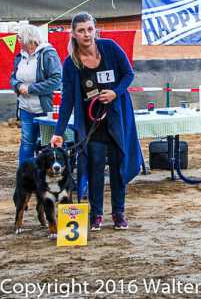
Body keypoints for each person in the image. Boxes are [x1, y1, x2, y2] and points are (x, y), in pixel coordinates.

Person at [50, 12, 142, 230]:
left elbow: (128, 74)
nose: (86, 34)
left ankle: (119, 213)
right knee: (95, 168)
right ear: (73, 34)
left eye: (90, 29)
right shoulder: (71, 64)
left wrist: (115, 92)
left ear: (95, 29)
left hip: (117, 119)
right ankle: (96, 214)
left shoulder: (109, 47)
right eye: (81, 30)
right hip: (92, 127)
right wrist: (58, 131)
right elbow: (67, 100)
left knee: (119, 166)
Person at [10, 24, 62, 165]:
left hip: (46, 110)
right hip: (26, 108)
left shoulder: (48, 54)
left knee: (46, 145)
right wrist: (18, 85)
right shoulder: (20, 56)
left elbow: (56, 80)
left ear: (28, 39)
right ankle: (25, 176)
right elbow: (13, 77)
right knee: (27, 143)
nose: (18, 40)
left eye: (19, 37)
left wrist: (31, 88)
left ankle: (45, 177)